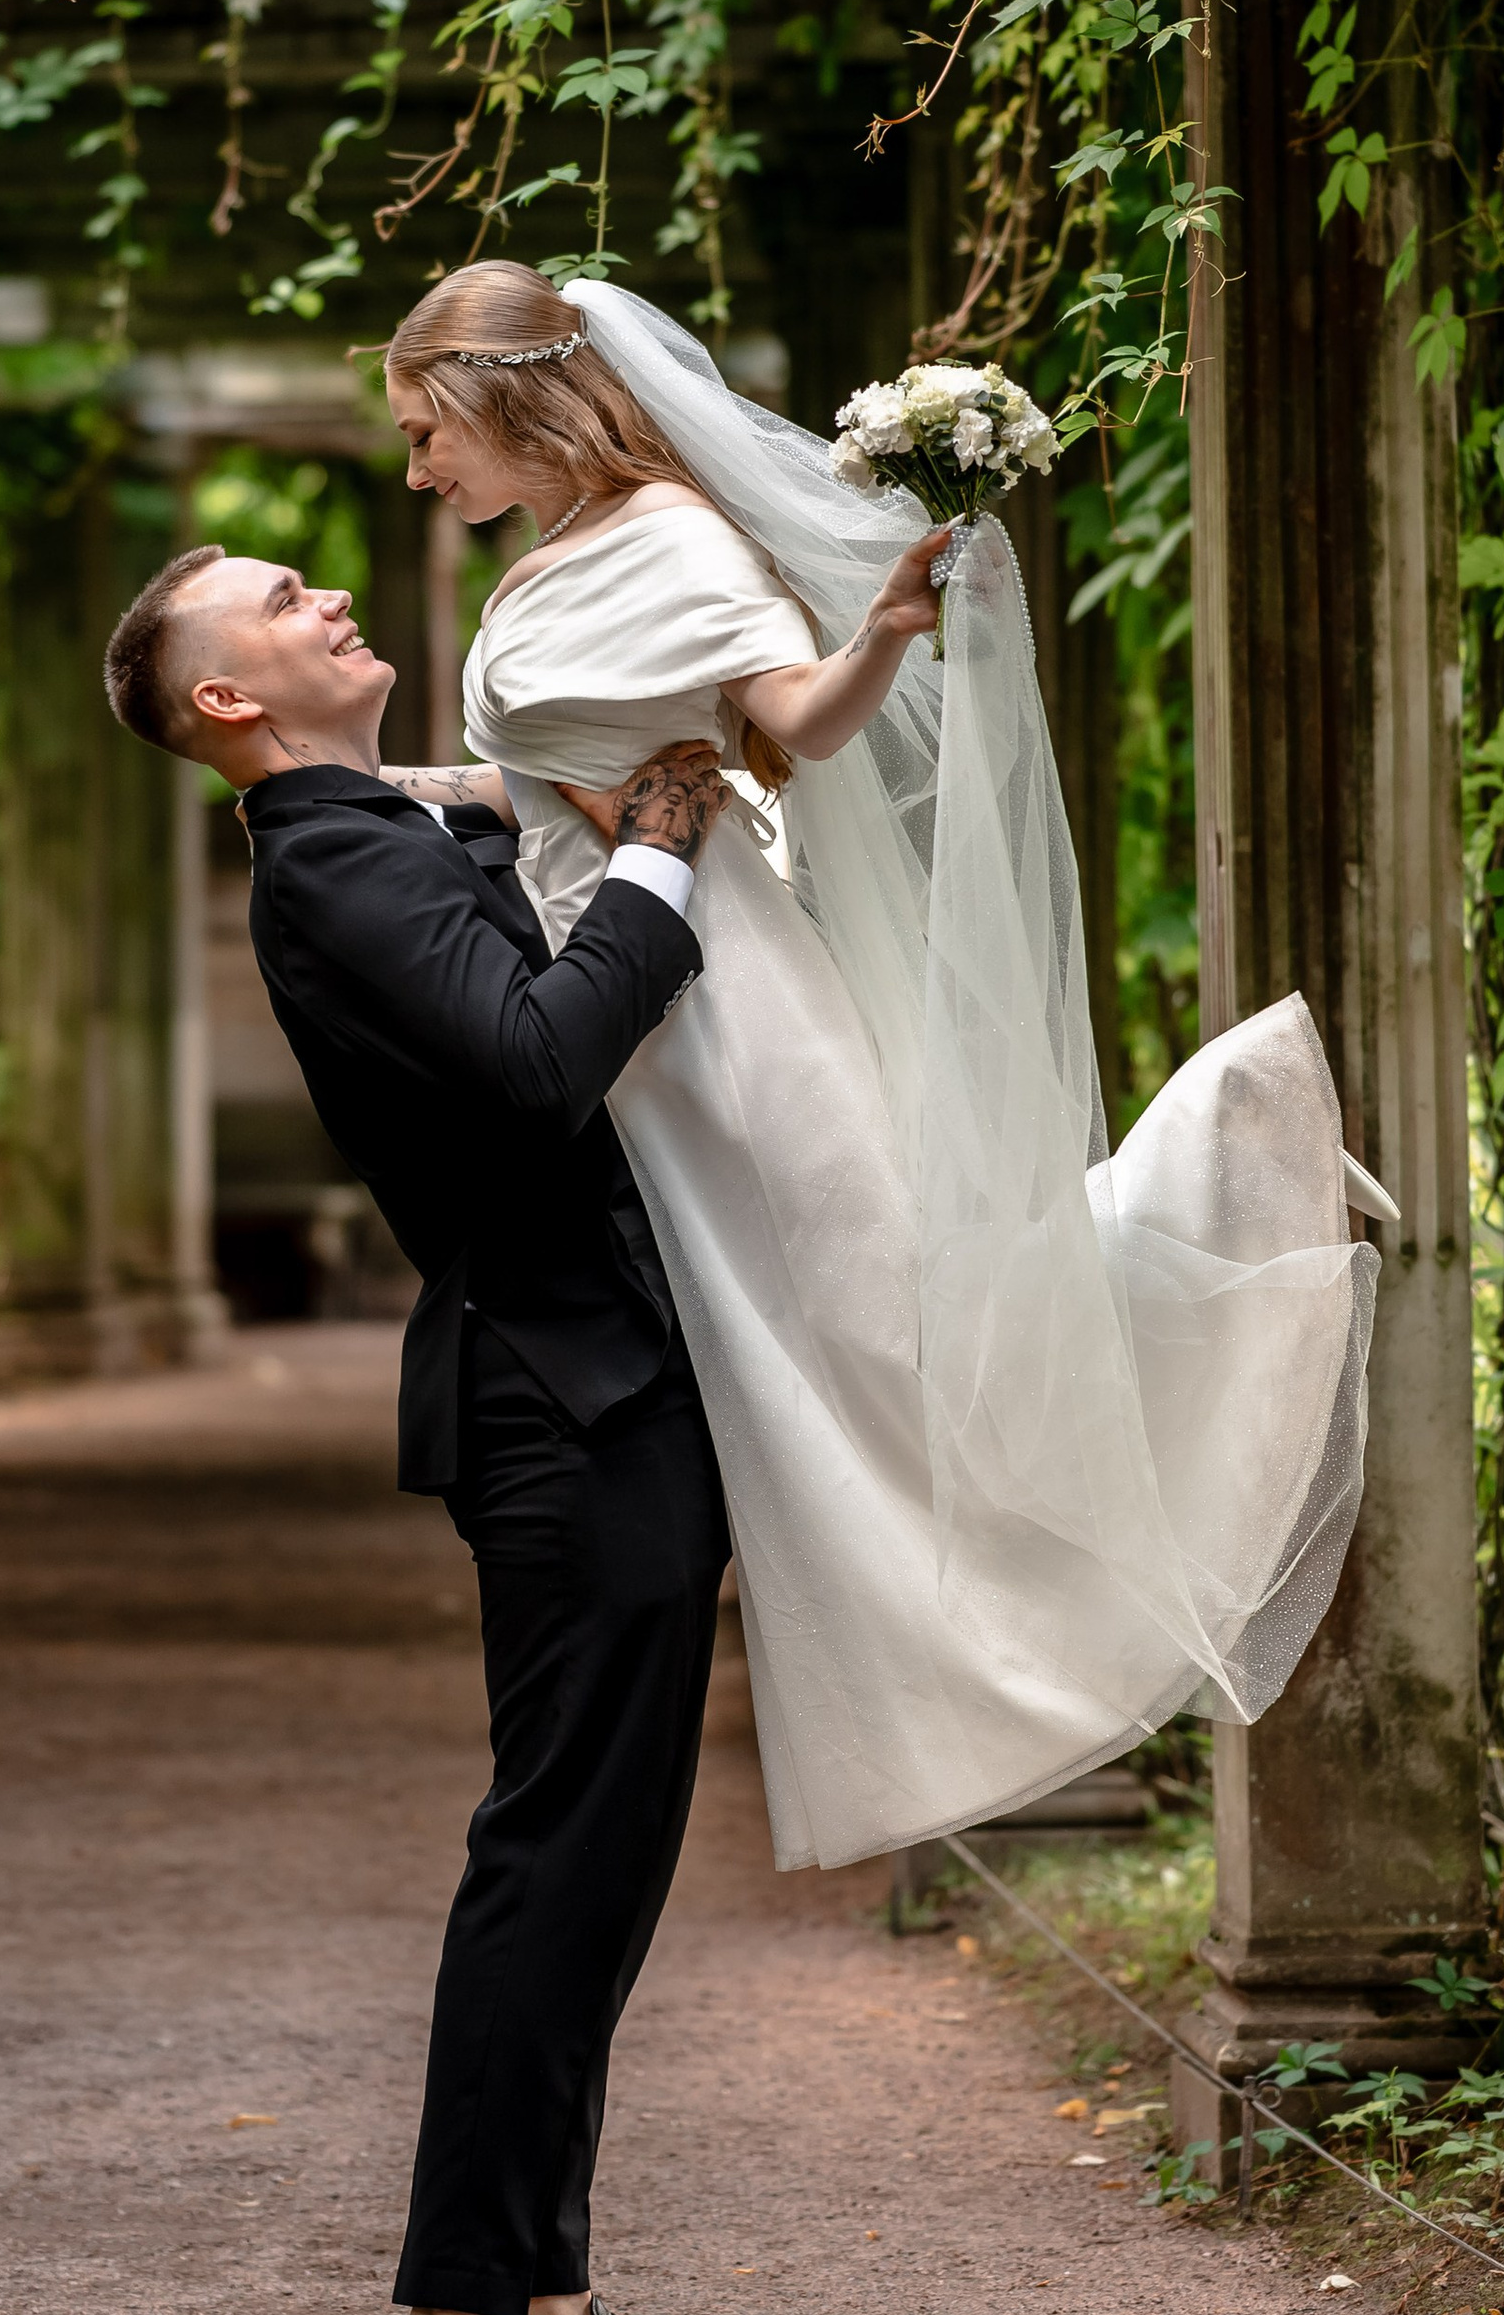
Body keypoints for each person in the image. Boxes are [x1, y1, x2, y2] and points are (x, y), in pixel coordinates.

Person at [380, 267, 1391, 1880]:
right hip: (611, 999)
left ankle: (1229, 1158)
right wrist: (381, 795)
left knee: (885, 1323)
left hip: (722, 1003)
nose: (421, 469)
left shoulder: (685, 542)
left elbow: (797, 722)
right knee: (782, 1361)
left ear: (517, 402)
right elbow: (542, 773)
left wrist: (884, 635)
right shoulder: (544, 562)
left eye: (433, 432)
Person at [101, 542, 751, 2315]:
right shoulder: (323, 858)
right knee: (552, 1852)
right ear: (227, 700)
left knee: (613, 1848)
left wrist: (546, 788)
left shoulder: (363, 824)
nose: (324, 596)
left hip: (605, 1380)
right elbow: (547, 1062)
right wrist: (657, 855)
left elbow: (464, 825)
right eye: (280, 597)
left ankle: (539, 2284)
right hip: (555, 1399)